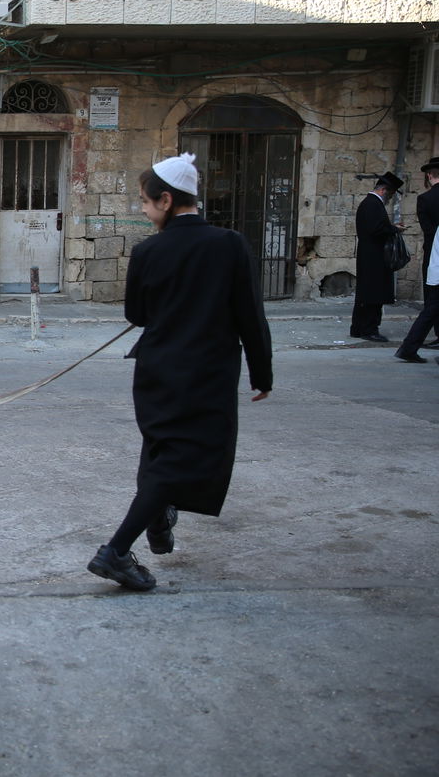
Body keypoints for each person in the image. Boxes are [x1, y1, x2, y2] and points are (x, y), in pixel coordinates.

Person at [88, 153, 273, 592]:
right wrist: (262, 373)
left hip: (155, 372)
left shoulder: (148, 250)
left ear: (167, 200)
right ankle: (115, 551)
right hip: (205, 376)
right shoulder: (229, 245)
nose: (145, 210)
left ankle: (157, 517)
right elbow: (251, 315)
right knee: (178, 461)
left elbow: (137, 313)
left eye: (146, 203)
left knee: (160, 451)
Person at [350, 171, 406, 342]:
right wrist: (395, 229)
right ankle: (369, 329)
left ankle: (358, 328)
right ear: (383, 190)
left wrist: (391, 226)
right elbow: (377, 230)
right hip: (374, 256)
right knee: (373, 294)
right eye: (390, 194)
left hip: (369, 255)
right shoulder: (373, 204)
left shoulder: (369, 203)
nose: (390, 198)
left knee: (366, 293)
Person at [395, 158, 439, 362]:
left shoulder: (425, 200)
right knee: (432, 307)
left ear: (430, 176)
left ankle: (409, 348)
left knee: (432, 304)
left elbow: (429, 232)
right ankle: (408, 348)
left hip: (434, 257)